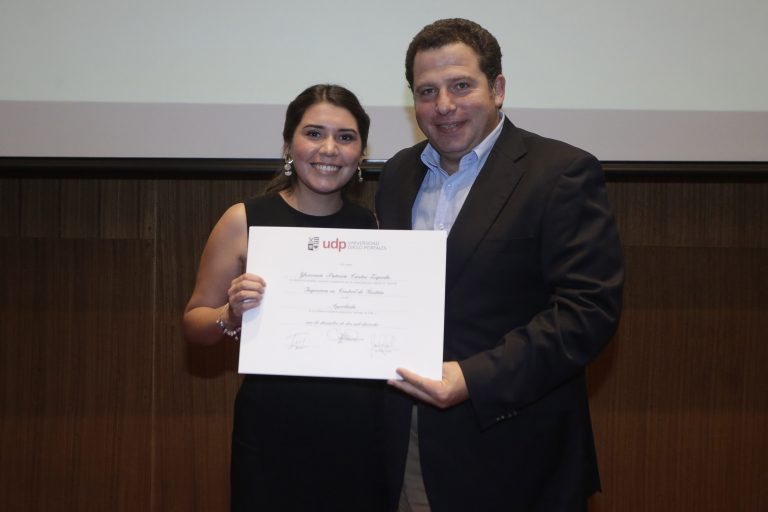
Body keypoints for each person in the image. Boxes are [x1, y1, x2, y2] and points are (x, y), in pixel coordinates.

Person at [375, 19, 624, 511]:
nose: (444, 105)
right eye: (427, 91)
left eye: (461, 86)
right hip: (408, 449)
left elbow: (588, 312)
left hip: (516, 456)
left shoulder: (560, 173)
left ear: (498, 89)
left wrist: (473, 378)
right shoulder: (398, 174)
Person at [183, 84, 388, 512]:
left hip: (360, 430)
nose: (329, 149)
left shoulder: (375, 228)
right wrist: (230, 314)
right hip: (272, 430)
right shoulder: (244, 220)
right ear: (288, 145)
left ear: (361, 154)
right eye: (314, 133)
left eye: (345, 137)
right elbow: (194, 324)